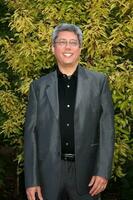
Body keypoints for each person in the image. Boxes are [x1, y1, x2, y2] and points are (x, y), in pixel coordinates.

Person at [24, 23, 115, 200]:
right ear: (53, 48)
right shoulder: (38, 87)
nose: (68, 47)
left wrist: (103, 170)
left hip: (87, 175)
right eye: (62, 42)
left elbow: (107, 130)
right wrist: (31, 180)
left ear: (80, 48)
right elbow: (30, 135)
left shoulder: (99, 83)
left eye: (73, 42)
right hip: (47, 175)